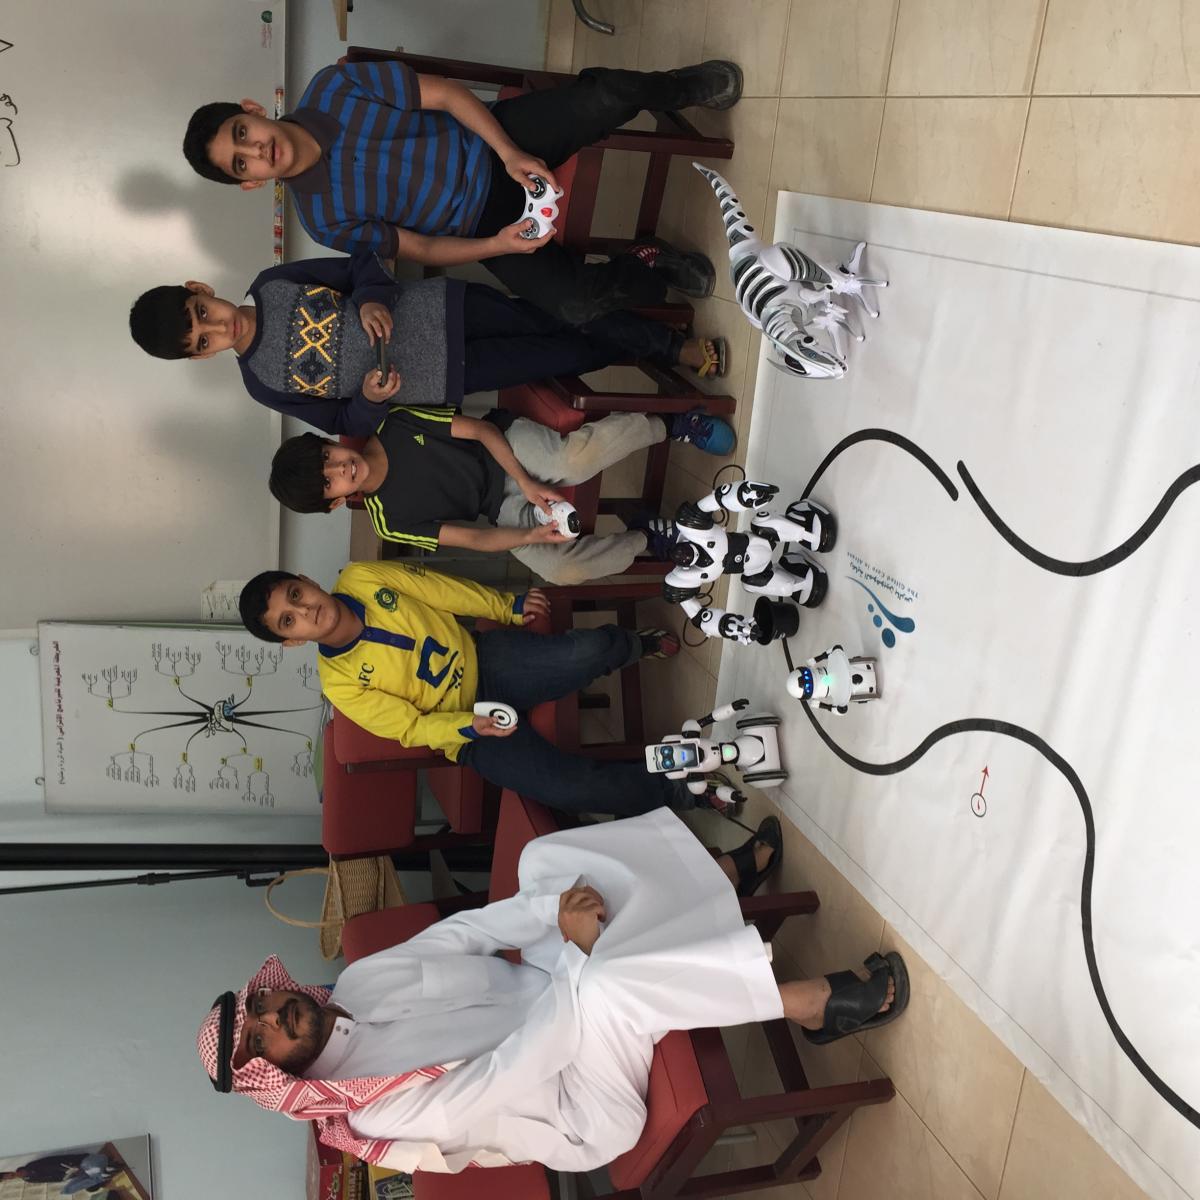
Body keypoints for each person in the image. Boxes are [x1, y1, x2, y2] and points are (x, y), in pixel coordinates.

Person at [196, 807, 909, 1173]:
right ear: (271, 1075)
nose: (271, 1019)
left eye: (257, 1007)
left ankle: (719, 877)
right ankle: (813, 1006)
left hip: (542, 983)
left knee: (547, 860)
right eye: (259, 1041)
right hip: (576, 1100)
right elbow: (515, 1068)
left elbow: (470, 931)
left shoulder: (360, 980)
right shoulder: (374, 1112)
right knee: (604, 985)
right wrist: (576, 950)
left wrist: (557, 911)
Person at [181, 58, 744, 324]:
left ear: (252, 110)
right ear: (250, 183)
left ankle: (679, 87)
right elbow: (422, 248)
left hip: (497, 138)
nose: (258, 150)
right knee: (575, 304)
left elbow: (448, 96)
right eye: (241, 163)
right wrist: (498, 245)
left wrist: (510, 153)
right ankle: (652, 262)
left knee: (608, 94)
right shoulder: (322, 220)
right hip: (481, 224)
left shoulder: (335, 86)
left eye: (242, 133)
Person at [237, 562, 747, 820]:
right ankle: (678, 792)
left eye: (296, 595)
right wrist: (469, 725)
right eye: (289, 620)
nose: (305, 611)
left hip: (486, 660)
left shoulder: (361, 578)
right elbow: (411, 728)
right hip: (470, 734)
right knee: (567, 790)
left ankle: (635, 645)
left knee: (586, 652)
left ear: (305, 580)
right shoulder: (340, 684)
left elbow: (440, 590)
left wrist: (505, 606)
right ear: (291, 642)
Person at [129, 251, 727, 436]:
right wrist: (369, 398)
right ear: (201, 357)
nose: (218, 328)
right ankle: (653, 344)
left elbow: (362, 266)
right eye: (202, 340)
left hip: (448, 308)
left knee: (548, 315)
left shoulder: (273, 283)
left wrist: (371, 299)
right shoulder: (263, 385)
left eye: (203, 313)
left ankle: (665, 343)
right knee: (565, 353)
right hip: (447, 375)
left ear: (201, 288)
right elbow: (346, 423)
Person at [267, 403, 728, 583]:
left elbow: (482, 431)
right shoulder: (388, 521)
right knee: (560, 570)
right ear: (335, 502)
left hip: (505, 447)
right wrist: (532, 536)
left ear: (328, 443)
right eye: (329, 481)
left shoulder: (396, 425)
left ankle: (671, 424)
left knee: (571, 462)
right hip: (499, 509)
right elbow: (474, 538)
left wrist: (527, 482)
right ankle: (649, 537)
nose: (340, 468)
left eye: (327, 456)